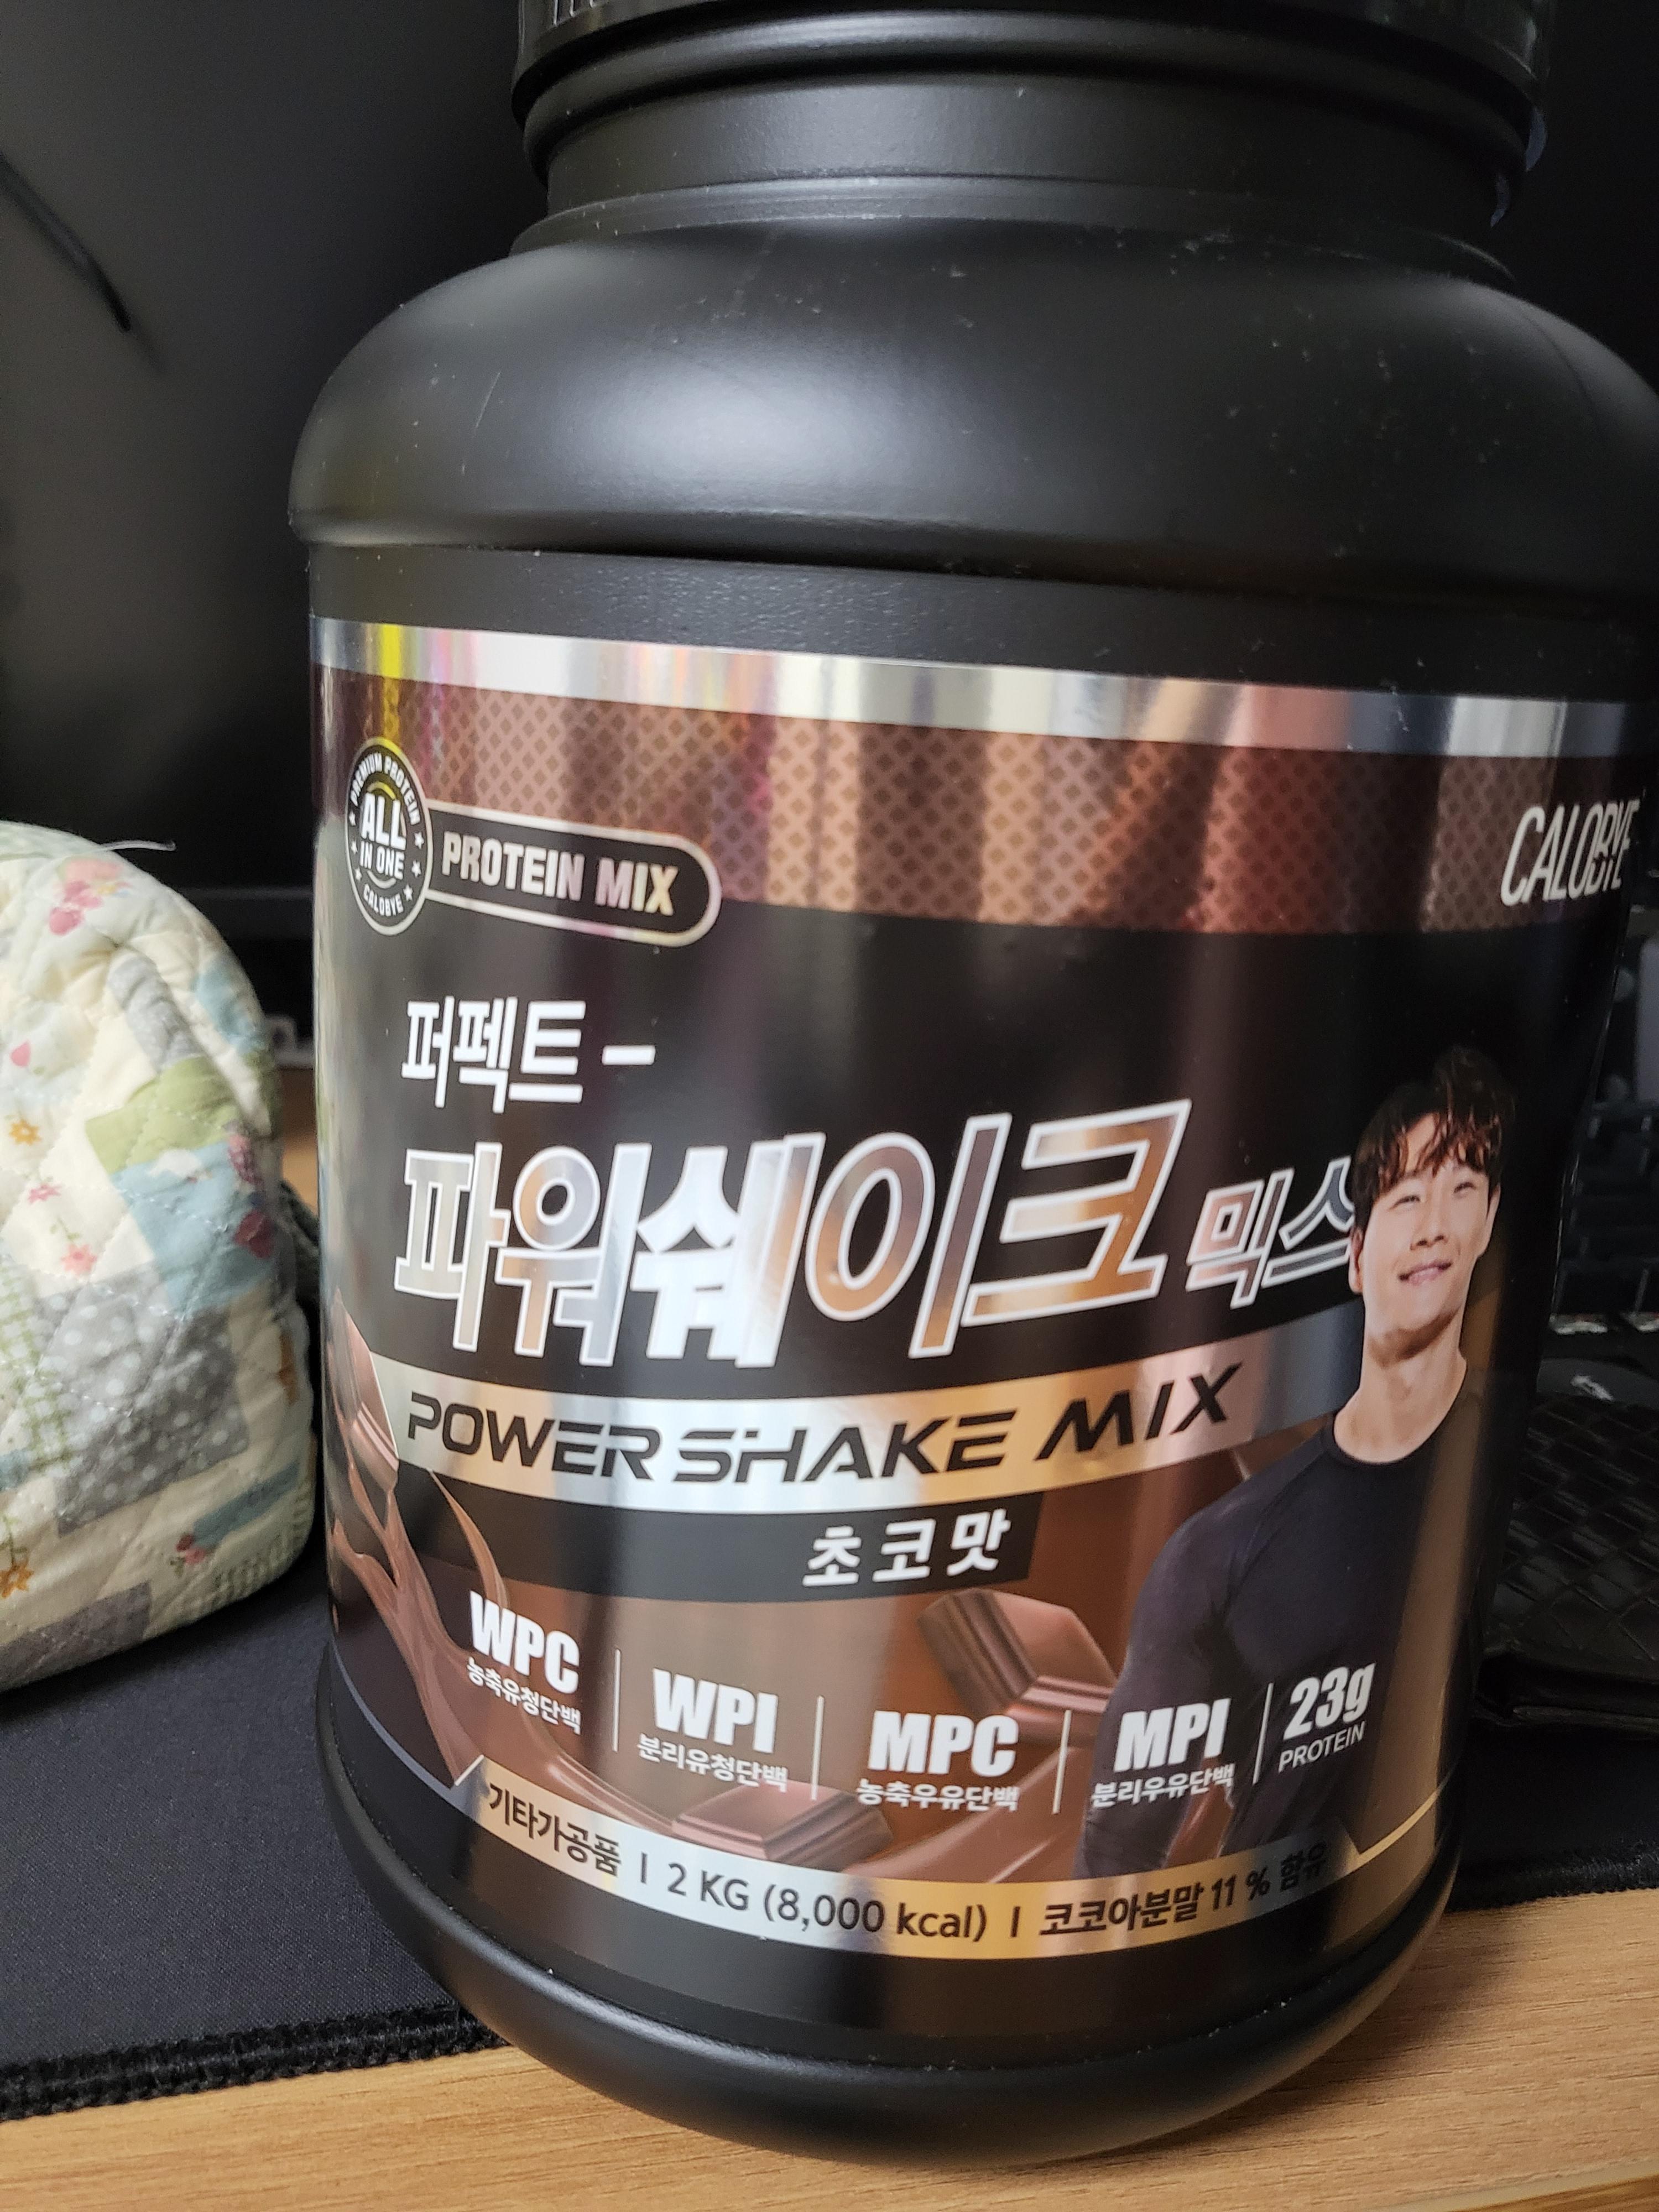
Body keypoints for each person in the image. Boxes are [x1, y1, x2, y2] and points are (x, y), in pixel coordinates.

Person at [1075, 1046, 1514, 1878]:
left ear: (1490, 1218)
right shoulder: (1218, 1550)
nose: (1434, 1225)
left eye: (1462, 1189)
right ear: (1356, 1253)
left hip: (1444, 1874)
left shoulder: (1510, 1444)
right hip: (1279, 1920)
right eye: (1407, 1196)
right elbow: (1116, 1848)